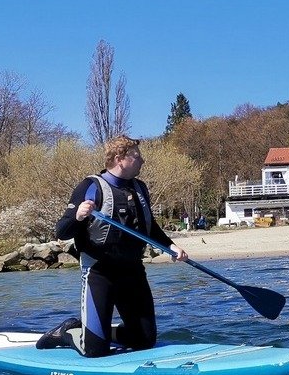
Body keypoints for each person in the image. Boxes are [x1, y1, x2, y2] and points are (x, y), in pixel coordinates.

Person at [37, 134, 188, 357]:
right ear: (120, 159)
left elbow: (149, 227)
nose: (142, 161)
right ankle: (67, 332)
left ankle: (101, 333)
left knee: (145, 340)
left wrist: (171, 246)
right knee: (95, 351)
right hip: (100, 273)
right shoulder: (90, 187)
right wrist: (78, 216)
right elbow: (62, 231)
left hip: (133, 271)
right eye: (137, 156)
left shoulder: (140, 188)